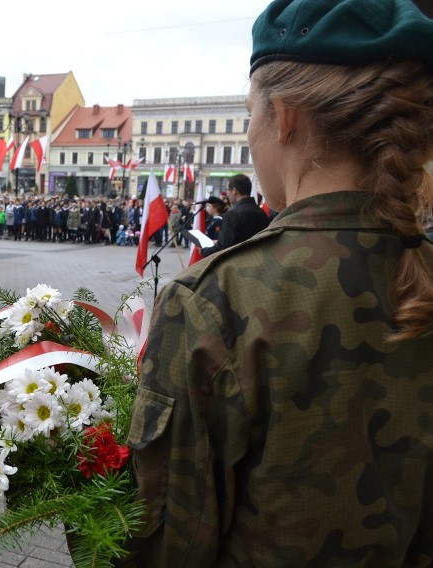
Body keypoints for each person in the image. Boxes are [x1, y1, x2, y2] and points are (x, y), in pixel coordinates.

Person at [126, 1, 433, 566]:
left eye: (250, 113)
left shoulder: (215, 302)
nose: (249, 135)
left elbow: (157, 548)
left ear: (285, 116)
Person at [200, 173, 270, 256]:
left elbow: (223, 249)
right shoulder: (261, 212)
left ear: (234, 191)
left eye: (227, 189)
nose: (227, 193)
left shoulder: (233, 213)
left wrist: (204, 251)